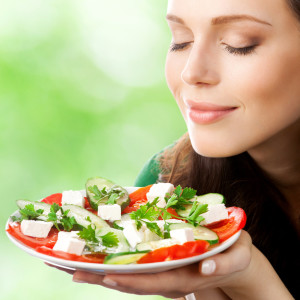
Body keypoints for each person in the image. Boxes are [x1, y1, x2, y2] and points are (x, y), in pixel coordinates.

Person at [51, 0, 300, 299]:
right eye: (182, 41)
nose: (192, 72)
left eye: (239, 44)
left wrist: (251, 279)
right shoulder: (166, 185)